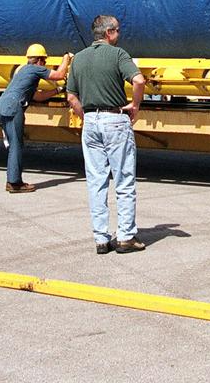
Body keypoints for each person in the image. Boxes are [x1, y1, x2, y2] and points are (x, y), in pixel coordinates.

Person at [65, 15, 146, 254]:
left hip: (90, 122)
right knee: (124, 180)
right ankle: (126, 237)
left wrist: (87, 116)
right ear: (109, 33)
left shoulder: (79, 59)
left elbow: (71, 97)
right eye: (117, 30)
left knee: (96, 181)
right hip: (115, 120)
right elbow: (139, 80)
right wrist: (135, 105)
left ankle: (101, 239)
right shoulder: (118, 54)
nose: (119, 34)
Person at [0, 44, 73, 193]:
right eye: (44, 61)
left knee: (13, 145)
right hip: (12, 108)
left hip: (1, 107)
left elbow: (38, 96)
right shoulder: (35, 69)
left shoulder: (24, 71)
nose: (45, 64)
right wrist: (66, 58)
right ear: (39, 60)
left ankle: (12, 180)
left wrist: (58, 90)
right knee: (16, 145)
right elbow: (59, 75)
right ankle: (14, 183)